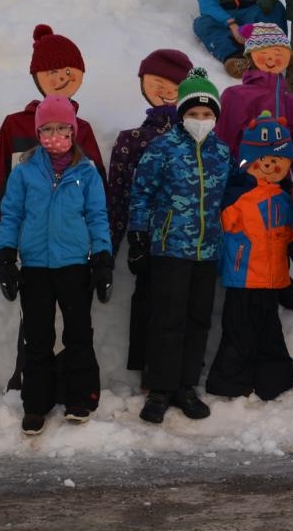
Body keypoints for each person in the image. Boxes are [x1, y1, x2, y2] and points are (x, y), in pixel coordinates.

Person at [0, 24, 107, 392]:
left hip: (74, 254)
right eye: (52, 72)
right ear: (37, 77)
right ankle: (28, 380)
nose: (60, 79)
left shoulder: (82, 130)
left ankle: (75, 388)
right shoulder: (17, 126)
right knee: (35, 322)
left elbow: (98, 199)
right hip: (35, 253)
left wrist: (104, 254)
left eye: (68, 73)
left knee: (76, 323)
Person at [0, 96, 114, 436]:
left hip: (75, 265)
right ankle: (36, 403)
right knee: (37, 337)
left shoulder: (86, 172)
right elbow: (12, 216)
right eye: (47, 129)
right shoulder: (25, 171)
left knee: (78, 333)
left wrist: (103, 259)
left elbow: (97, 216)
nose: (55, 135)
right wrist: (6, 256)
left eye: (62, 128)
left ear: (73, 131)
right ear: (38, 132)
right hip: (35, 266)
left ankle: (81, 398)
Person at [128, 69, 232, 424]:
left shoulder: (222, 151)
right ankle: (160, 389)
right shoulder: (163, 148)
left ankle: (186, 386)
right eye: (193, 114)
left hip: (207, 250)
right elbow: (141, 192)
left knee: (198, 319)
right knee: (167, 320)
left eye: (207, 115)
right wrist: (139, 234)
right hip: (170, 247)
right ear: (181, 114)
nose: (200, 121)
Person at [206, 112, 293, 401]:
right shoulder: (237, 198)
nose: (270, 167)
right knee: (237, 333)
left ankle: (274, 382)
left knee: (270, 333)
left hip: (272, 280)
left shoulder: (287, 199)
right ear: (250, 161)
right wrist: (215, 266)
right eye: (263, 162)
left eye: (277, 162)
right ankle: (230, 383)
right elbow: (218, 232)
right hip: (241, 278)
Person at [106, 49, 193, 374]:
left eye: (175, 86)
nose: (166, 92)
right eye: (157, 82)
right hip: (146, 238)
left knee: (183, 308)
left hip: (187, 241)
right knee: (148, 301)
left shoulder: (199, 139)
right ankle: (149, 373)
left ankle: (179, 375)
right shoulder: (132, 140)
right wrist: (107, 251)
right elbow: (117, 197)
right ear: (143, 83)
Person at [215, 23, 293, 178]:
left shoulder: (288, 100)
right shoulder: (235, 96)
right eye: (264, 52)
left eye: (278, 54)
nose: (271, 58)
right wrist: (220, 182)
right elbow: (222, 143)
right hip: (245, 182)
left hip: (279, 180)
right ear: (251, 55)